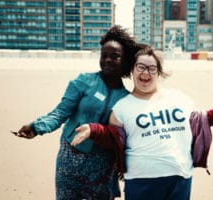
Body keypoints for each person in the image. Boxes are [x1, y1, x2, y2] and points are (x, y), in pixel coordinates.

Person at [71, 47, 213, 200]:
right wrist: (93, 130)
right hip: (140, 182)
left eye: (152, 68)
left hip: (179, 177)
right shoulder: (122, 107)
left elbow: (198, 120)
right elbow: (113, 137)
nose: (146, 72)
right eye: (141, 67)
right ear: (132, 70)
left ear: (158, 73)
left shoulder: (178, 97)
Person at [13, 25, 142, 200]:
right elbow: (60, 113)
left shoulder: (127, 99)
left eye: (115, 56)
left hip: (102, 166)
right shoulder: (83, 81)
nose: (107, 60)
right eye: (103, 56)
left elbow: (125, 136)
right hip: (69, 160)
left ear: (124, 61)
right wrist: (36, 127)